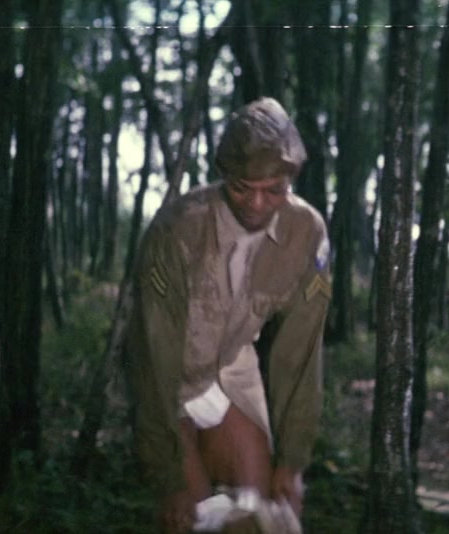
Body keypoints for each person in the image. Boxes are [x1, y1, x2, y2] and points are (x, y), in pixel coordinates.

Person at [127, 97, 331, 533]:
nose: (257, 203)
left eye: (273, 190)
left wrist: (293, 460)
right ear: (224, 176)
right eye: (242, 188)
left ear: (291, 181)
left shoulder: (306, 234)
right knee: (189, 516)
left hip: (231, 367)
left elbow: (301, 355)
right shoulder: (178, 229)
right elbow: (151, 355)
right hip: (171, 376)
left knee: (260, 513)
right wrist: (168, 472)